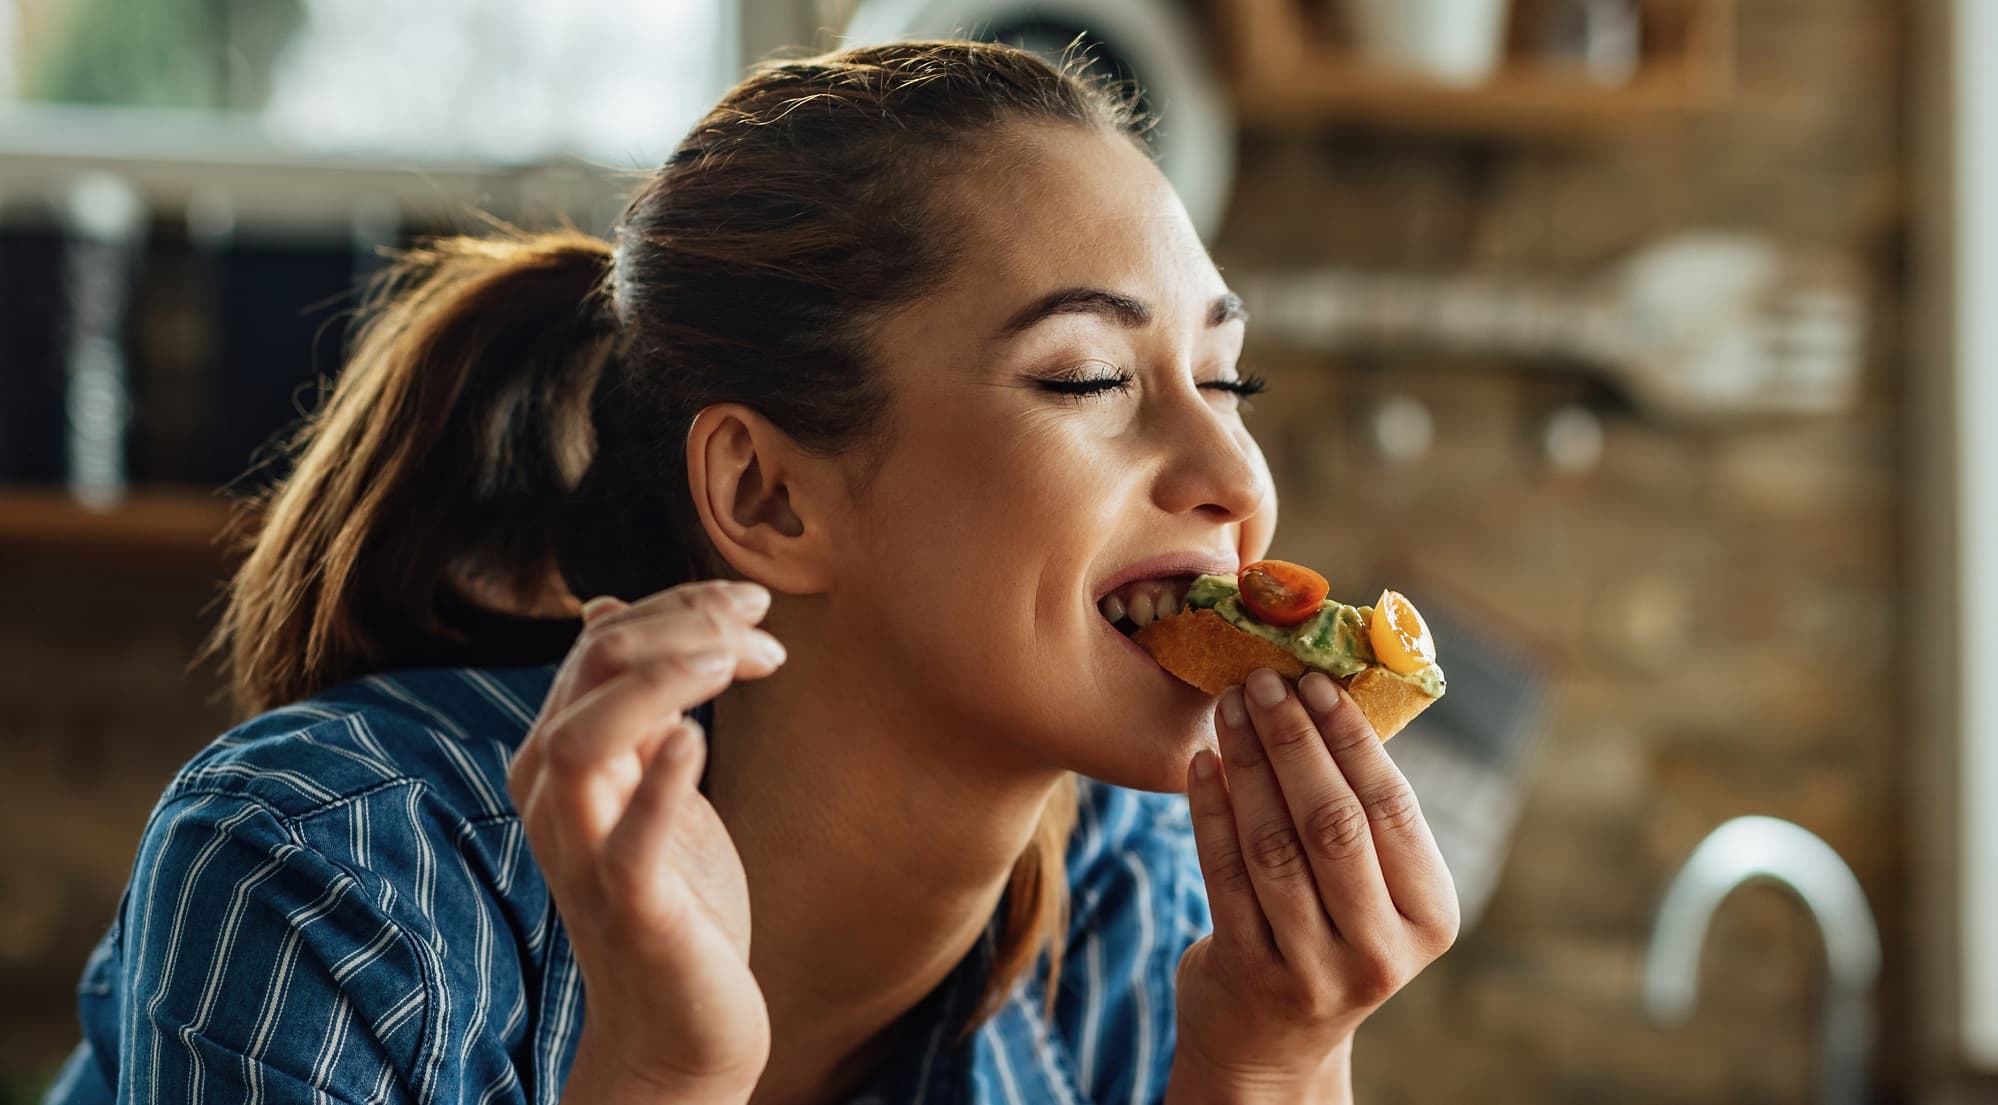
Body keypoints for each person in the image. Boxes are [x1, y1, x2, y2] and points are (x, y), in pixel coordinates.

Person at [43, 39, 1458, 1105]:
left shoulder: (1141, 904)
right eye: (1086, 376)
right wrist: (663, 1069)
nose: (1238, 480)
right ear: (766, 495)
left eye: (1227, 373)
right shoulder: (334, 867)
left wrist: (1272, 1061)